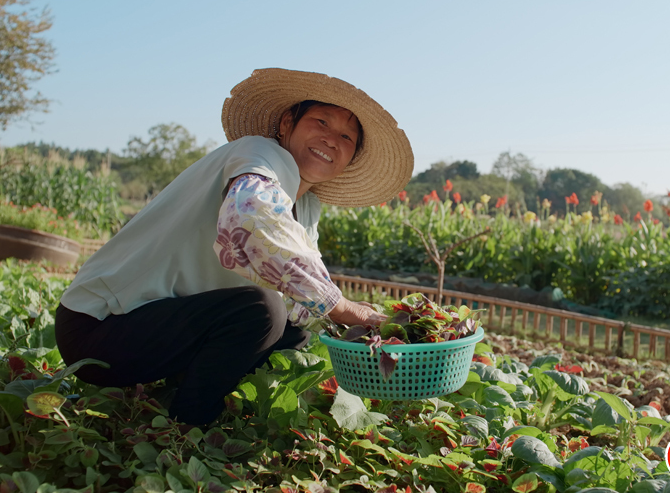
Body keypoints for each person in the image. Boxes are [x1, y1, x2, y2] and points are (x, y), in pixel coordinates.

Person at [54, 68, 414, 425]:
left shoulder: (307, 207)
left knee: (294, 330)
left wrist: (373, 331)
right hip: (99, 328)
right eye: (321, 121)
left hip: (155, 326)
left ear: (350, 157)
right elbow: (250, 217)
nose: (332, 139)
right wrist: (340, 304)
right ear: (287, 122)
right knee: (262, 310)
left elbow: (302, 299)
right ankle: (188, 425)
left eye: (347, 137)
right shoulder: (259, 154)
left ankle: (194, 394)